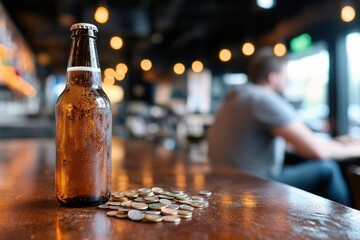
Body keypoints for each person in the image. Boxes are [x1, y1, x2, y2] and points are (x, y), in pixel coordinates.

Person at [207, 47, 360, 207]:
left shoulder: (236, 96)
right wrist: (355, 149)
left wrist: (337, 142)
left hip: (224, 181)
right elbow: (317, 151)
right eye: (284, 75)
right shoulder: (262, 99)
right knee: (327, 169)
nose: (286, 81)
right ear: (272, 77)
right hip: (251, 185)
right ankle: (349, 228)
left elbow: (294, 142)